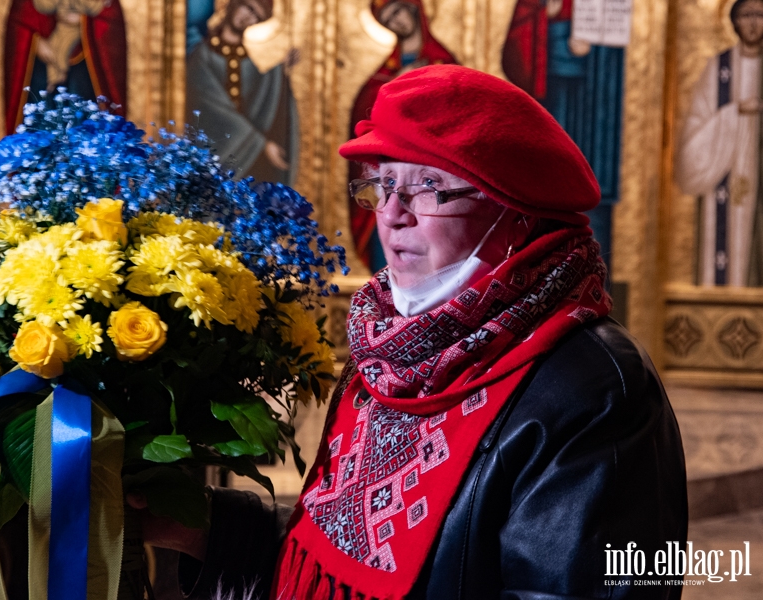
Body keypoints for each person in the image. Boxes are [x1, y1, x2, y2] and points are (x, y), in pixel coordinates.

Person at [144, 65, 688, 598]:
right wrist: (203, 529)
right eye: (383, 185)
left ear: (515, 211)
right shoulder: (387, 347)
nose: (391, 215)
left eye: (428, 185)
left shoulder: (598, 390)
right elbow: (341, 556)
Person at [502, 0, 625, 275]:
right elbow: (515, 53)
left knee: (593, 198)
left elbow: (619, 31)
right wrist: (548, 18)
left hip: (596, 104)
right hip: (553, 99)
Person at [348, 0, 456, 272]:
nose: (395, 22)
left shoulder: (445, 63)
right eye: (388, 19)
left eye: (397, 12)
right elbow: (364, 117)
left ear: (413, 9)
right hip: (393, 164)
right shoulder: (384, 72)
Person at [677, 0, 763, 286]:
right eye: (746, 15)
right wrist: (736, 111)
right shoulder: (718, 68)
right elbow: (696, 126)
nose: (753, 22)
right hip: (726, 174)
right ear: (734, 21)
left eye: (760, 15)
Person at [184, 0, 299, 186]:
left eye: (256, 16)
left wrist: (280, 71)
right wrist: (261, 143)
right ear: (232, 5)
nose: (248, 17)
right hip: (211, 153)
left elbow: (263, 93)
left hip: (247, 165)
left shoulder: (248, 61)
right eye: (248, 8)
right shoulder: (202, 55)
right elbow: (212, 104)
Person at [3, 0, 128, 134]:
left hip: (86, 67)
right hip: (41, 65)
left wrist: (83, 20)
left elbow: (110, 17)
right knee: (42, 119)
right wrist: (34, 41)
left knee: (82, 118)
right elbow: (20, 19)